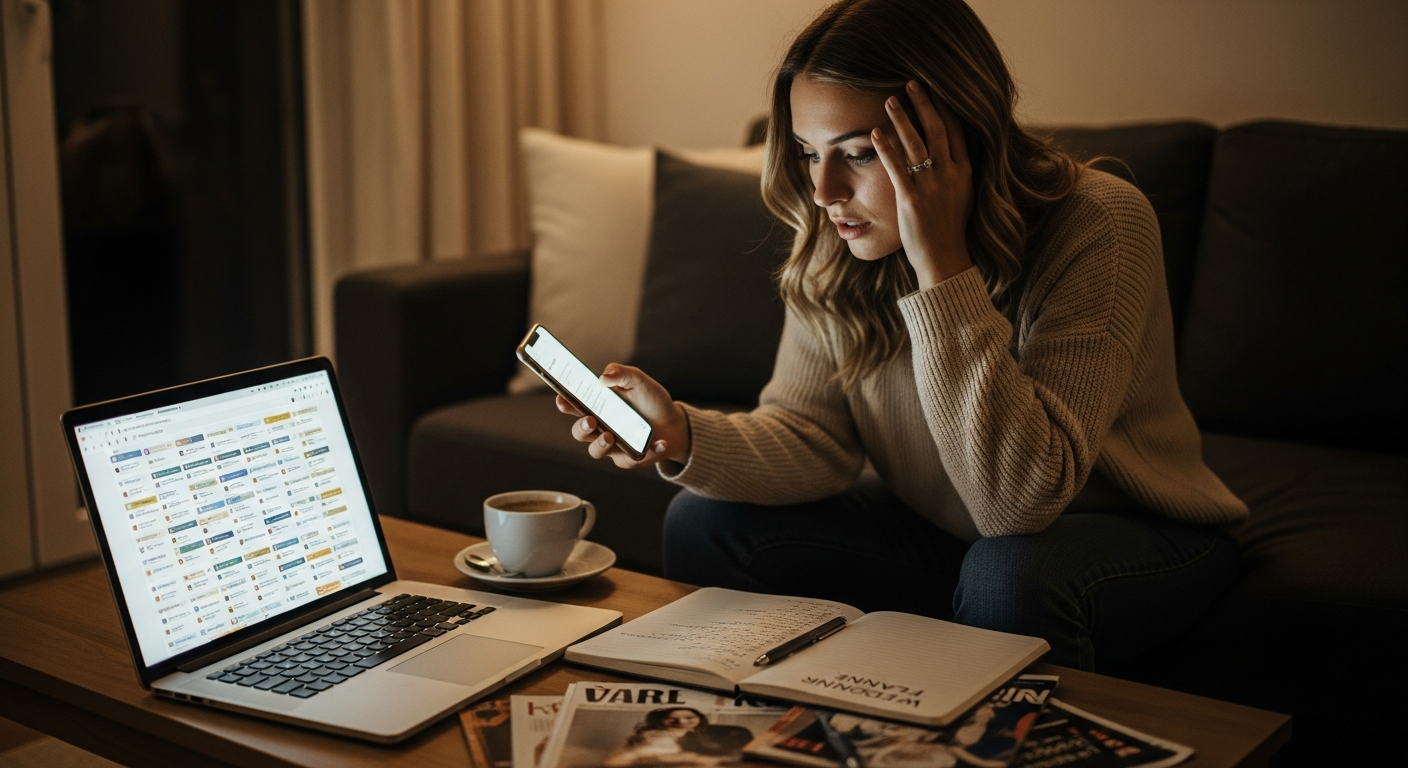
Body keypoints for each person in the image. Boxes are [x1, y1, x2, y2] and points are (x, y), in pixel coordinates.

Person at [555, 0, 1247, 673]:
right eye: (807, 152)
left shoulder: (1099, 223)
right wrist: (680, 434)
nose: (823, 190)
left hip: (1126, 531)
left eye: (855, 155)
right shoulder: (840, 240)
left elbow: (1017, 503)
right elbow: (812, 438)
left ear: (952, 138)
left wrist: (940, 265)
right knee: (701, 521)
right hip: (952, 534)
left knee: (1006, 573)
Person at [603, 707, 753, 767]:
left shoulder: (705, 734)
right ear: (661, 720)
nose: (681, 722)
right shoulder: (655, 734)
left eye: (689, 718)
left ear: (699, 718)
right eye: (672, 719)